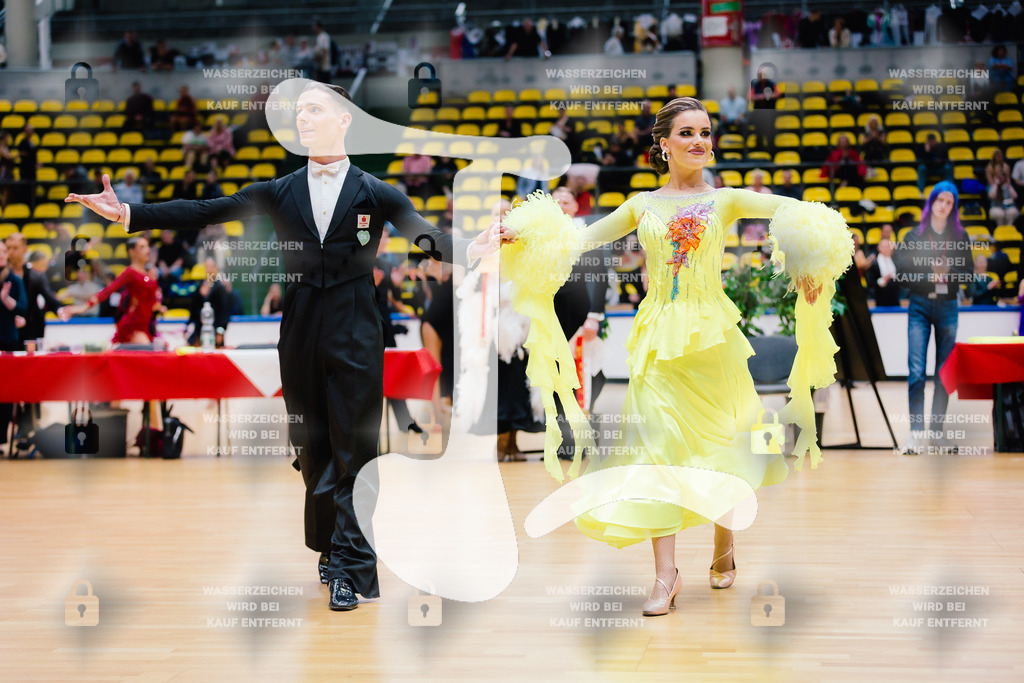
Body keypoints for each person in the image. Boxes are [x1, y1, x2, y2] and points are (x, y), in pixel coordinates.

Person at [64, 81, 496, 612]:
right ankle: (329, 547)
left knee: (355, 450)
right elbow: (204, 210)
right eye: (299, 113)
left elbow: (427, 236)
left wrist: (475, 246)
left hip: (358, 327)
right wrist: (128, 213)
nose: (303, 120)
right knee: (312, 449)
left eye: (315, 110)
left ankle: (351, 568)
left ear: (345, 120)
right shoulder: (279, 189)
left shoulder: (377, 192)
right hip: (299, 330)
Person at [498, 97, 843, 617]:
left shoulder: (724, 199)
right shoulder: (641, 206)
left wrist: (814, 256)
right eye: (687, 133)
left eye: (705, 131)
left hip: (714, 338)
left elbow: (793, 210)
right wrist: (522, 232)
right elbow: (578, 239)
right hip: (658, 338)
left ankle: (724, 543)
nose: (700, 141)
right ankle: (665, 576)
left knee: (727, 446)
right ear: (664, 144)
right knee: (657, 448)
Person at [893, 181, 973, 455]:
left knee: (943, 373)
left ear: (954, 208)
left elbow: (969, 273)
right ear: (931, 202)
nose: (944, 206)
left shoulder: (960, 237)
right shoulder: (914, 235)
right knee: (916, 371)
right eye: (940, 199)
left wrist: (949, 273)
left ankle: (936, 433)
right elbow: (901, 271)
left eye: (950, 202)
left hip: (948, 305)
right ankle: (916, 433)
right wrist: (928, 273)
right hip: (919, 306)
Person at [61, 236, 162, 344]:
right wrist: (82, 307)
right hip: (134, 326)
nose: (147, 250)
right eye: (142, 247)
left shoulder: (147, 274)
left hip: (147, 324)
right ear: (132, 252)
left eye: (147, 247)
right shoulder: (130, 272)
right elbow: (108, 291)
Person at [0, 240, 27, 457]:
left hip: (8, 342)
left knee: (5, 393)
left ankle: (2, 439)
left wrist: (8, 301)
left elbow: (23, 308)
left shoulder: (14, 280)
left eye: (2, 251)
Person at [865, 234, 900, 306]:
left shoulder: (895, 261)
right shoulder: (875, 264)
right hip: (881, 298)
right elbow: (870, 282)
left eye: (888, 246)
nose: (886, 249)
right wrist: (881, 281)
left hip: (895, 297)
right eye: (884, 247)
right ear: (879, 248)